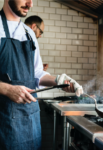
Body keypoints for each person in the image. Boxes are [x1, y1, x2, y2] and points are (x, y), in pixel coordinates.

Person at [0, 0, 83, 150]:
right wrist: (6, 89)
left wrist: (59, 80)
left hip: (31, 120)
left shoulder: (29, 33)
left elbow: (36, 73)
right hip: (4, 122)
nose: (30, 4)